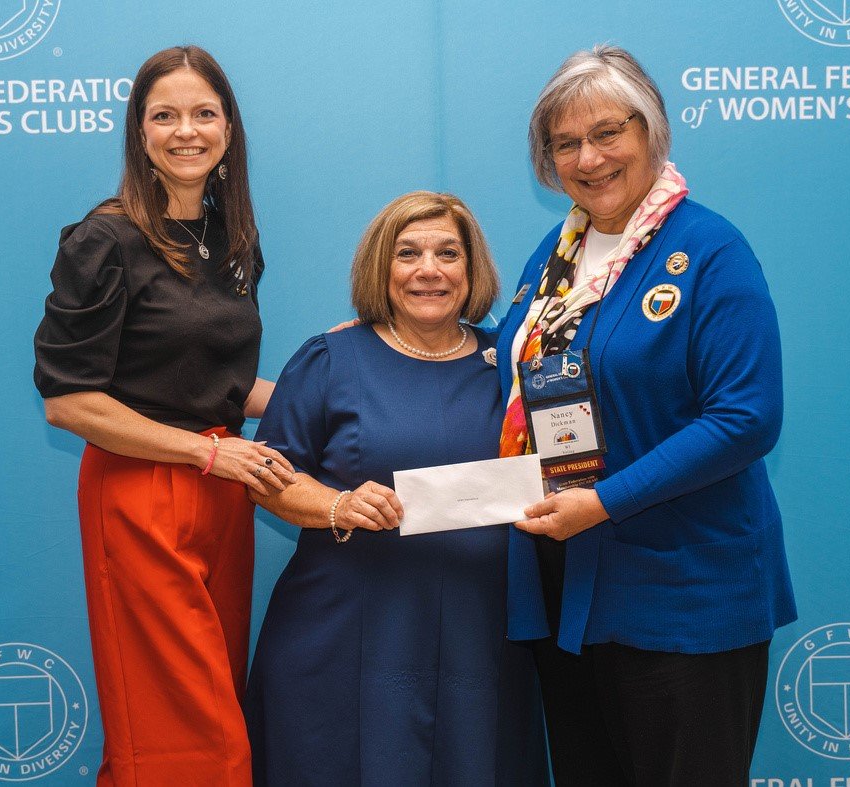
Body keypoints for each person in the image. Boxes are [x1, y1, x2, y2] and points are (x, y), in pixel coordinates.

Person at [497, 46, 797, 786]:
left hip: (682, 596)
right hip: (572, 591)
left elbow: (746, 416)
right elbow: (519, 368)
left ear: (652, 130)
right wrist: (391, 337)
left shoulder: (709, 248)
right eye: (564, 143)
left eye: (607, 132)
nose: (588, 157)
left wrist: (602, 503)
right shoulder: (556, 253)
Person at [33, 46, 294, 787]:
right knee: (193, 742)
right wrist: (205, 454)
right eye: (165, 115)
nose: (187, 130)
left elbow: (221, 381)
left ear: (229, 129)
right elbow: (68, 400)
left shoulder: (232, 239)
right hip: (142, 494)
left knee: (193, 723)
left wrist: (348, 392)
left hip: (222, 491)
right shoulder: (104, 240)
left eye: (204, 113)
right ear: (139, 132)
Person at [244, 192, 548, 786]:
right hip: (349, 630)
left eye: (447, 253)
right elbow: (268, 478)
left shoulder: (513, 363)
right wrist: (339, 503)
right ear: (381, 269)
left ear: (472, 268)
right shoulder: (330, 359)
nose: (428, 269)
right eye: (408, 253)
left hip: (480, 633)